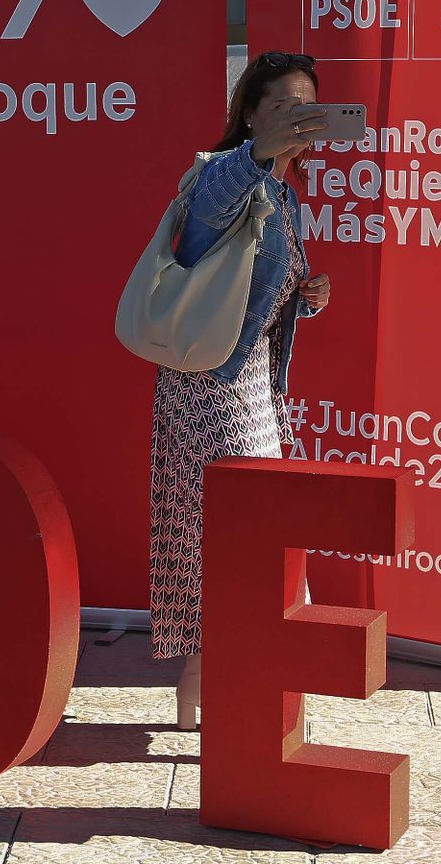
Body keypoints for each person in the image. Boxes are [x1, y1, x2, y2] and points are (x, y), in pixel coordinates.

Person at [148, 51, 333, 730]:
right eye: (281, 105)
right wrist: (259, 152)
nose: (294, 118)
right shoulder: (223, 174)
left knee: (237, 535)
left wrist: (305, 297)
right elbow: (211, 209)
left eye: (305, 107)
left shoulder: (286, 196)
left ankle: (217, 682)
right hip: (211, 390)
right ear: (252, 113)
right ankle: (225, 683)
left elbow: (248, 292)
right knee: (230, 535)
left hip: (255, 388)